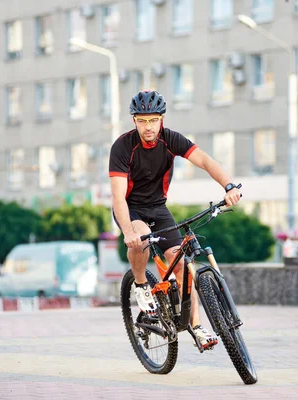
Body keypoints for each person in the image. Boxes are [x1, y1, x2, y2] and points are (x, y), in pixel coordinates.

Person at [109, 90, 242, 349]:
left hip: (158, 208)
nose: (148, 126)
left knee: (180, 264)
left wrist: (228, 186)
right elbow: (117, 197)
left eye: (154, 120)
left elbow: (204, 160)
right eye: (143, 120)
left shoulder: (170, 140)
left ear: (162, 119)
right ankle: (140, 286)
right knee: (139, 241)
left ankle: (197, 326)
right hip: (131, 208)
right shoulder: (123, 147)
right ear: (134, 120)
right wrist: (128, 231)